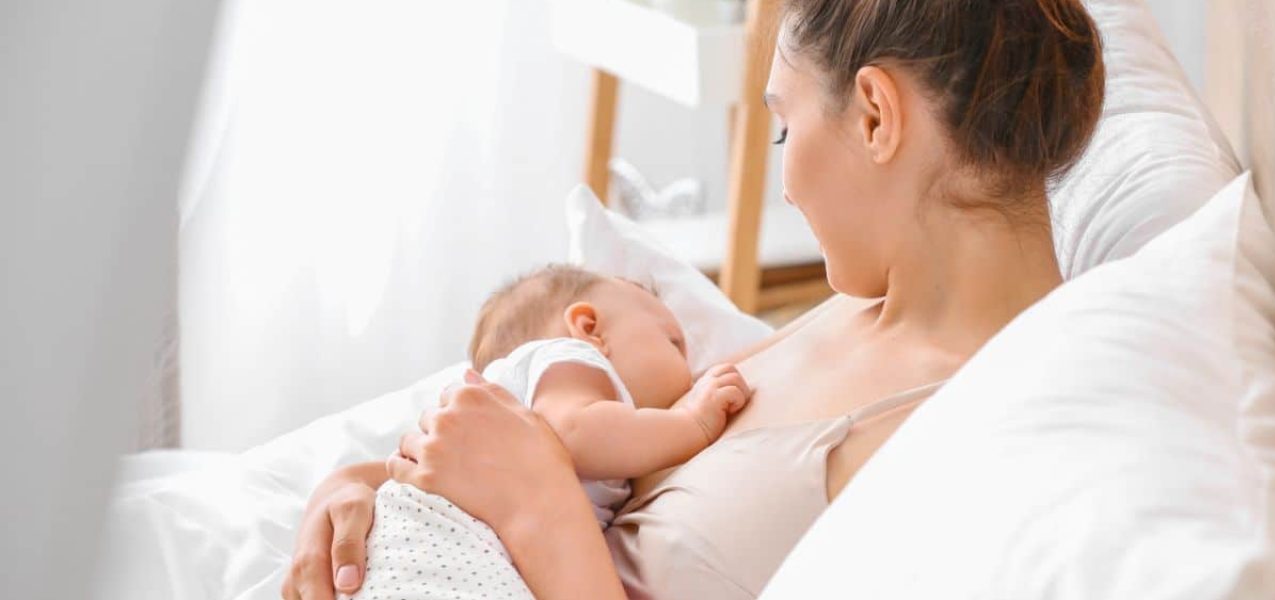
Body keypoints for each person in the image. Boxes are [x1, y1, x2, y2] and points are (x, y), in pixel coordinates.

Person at [282, 0, 1105, 597]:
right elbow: (589, 455)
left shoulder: (967, 425)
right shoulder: (847, 319)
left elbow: (550, 488)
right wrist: (355, 488)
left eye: (784, 127)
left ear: (876, 117)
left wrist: (539, 512)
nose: (785, 185)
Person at [347, 265, 749, 599]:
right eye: (673, 342)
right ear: (590, 328)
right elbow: (576, 432)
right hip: (442, 550)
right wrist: (690, 421)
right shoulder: (566, 359)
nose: (689, 366)